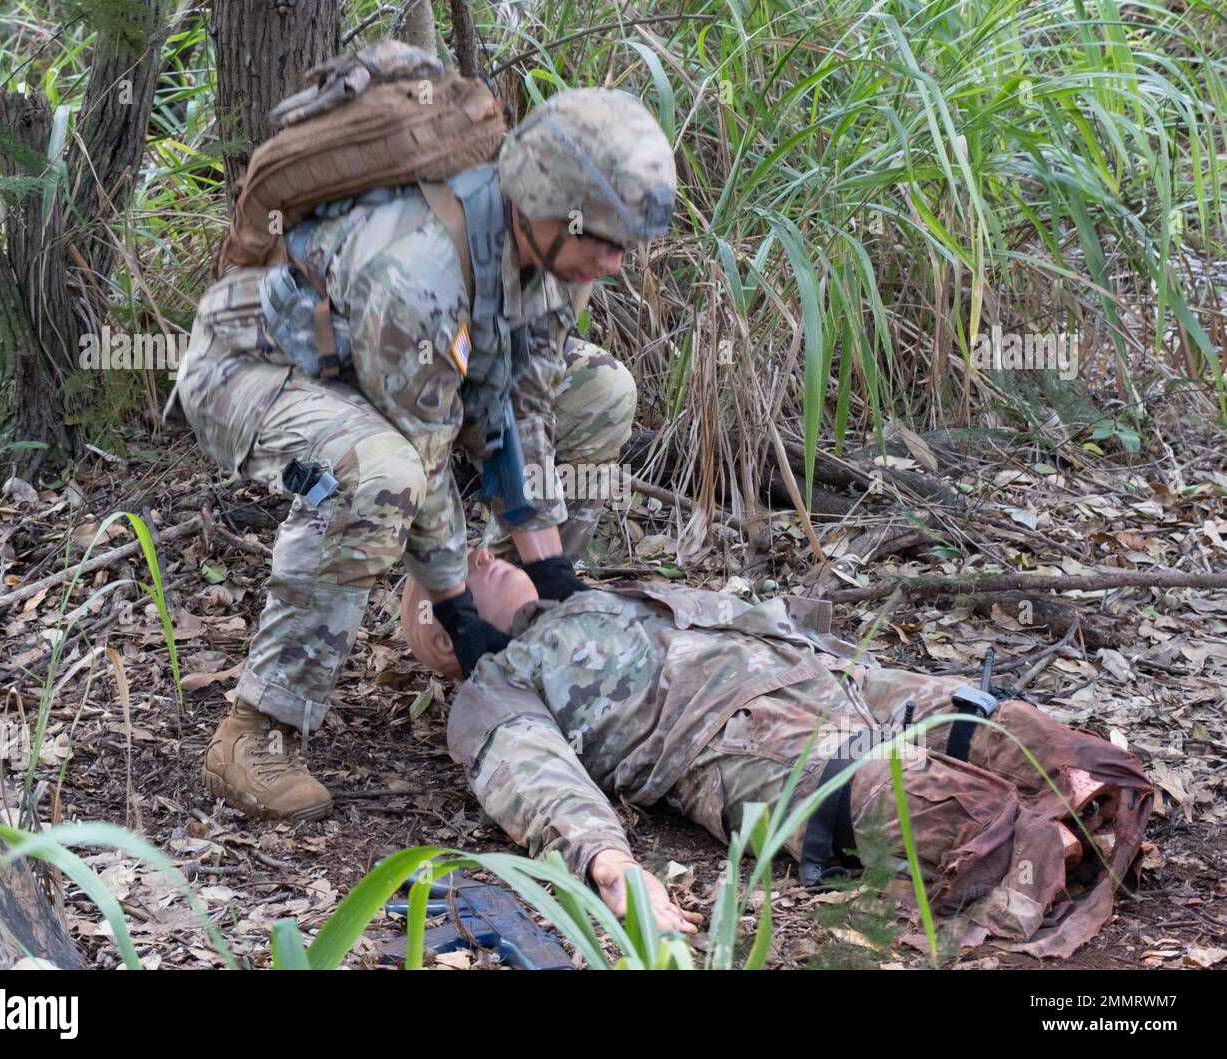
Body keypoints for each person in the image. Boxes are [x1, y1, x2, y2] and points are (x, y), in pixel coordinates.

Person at [171, 84, 676, 821]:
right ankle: (257, 730)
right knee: (377, 475)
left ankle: (519, 631)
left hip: (400, 379)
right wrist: (453, 600)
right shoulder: (419, 275)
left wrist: (549, 565)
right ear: (544, 203)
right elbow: (425, 451)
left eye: (621, 244)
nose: (612, 262)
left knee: (601, 390)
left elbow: (525, 403)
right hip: (249, 375)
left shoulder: (550, 257)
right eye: (600, 239)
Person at [402, 551, 1154, 957]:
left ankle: (1074, 811)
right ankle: (1047, 837)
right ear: (445, 633)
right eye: (460, 567)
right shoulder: (495, 686)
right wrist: (613, 867)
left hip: (845, 681)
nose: (481, 553)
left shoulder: (592, 597)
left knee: (1025, 732)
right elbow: (535, 776)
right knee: (950, 810)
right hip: (747, 744)